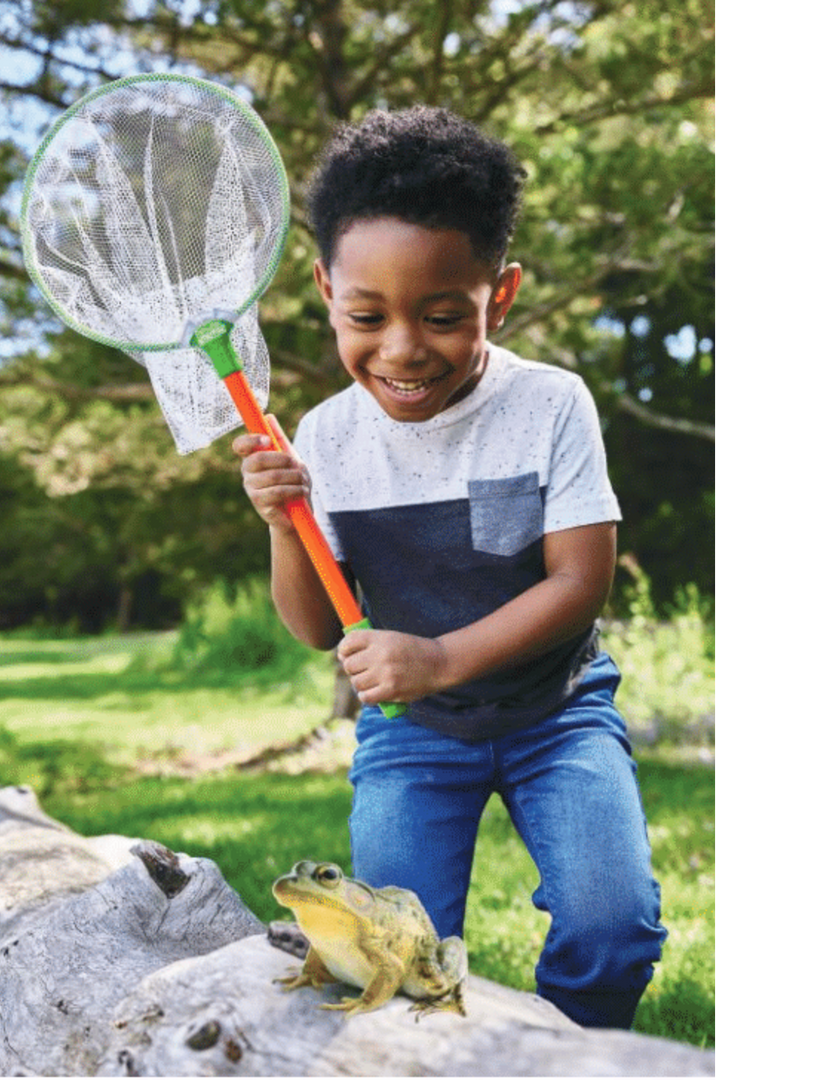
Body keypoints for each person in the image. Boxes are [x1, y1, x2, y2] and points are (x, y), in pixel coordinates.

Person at [233, 106, 666, 1029]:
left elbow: (579, 581)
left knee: (614, 925)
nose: (400, 349)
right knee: (394, 956)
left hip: (560, 711)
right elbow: (316, 627)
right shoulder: (325, 438)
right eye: (365, 315)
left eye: (441, 315)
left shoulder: (550, 404)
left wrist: (437, 657)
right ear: (323, 290)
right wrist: (283, 521)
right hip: (414, 732)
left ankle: (582, 1051)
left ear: (498, 297)